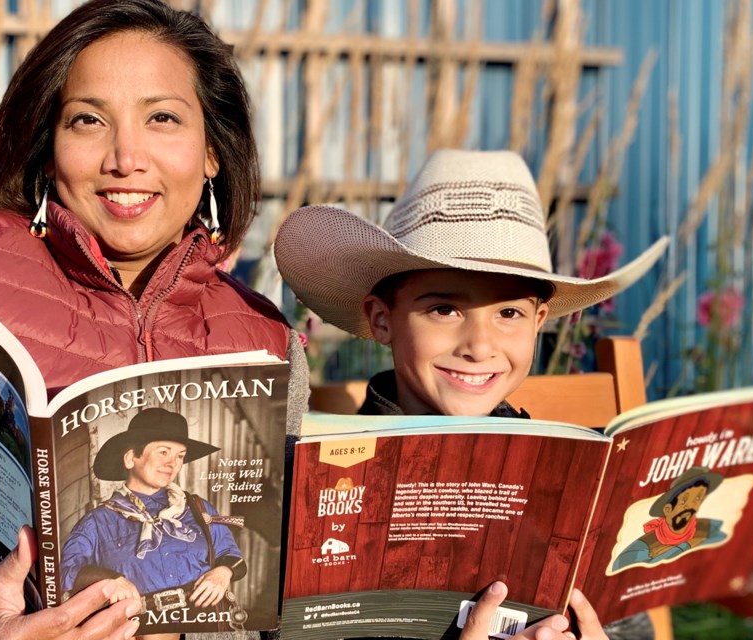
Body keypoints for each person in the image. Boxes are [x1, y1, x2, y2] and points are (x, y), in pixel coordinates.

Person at [0, 1, 308, 638]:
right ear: (47, 151)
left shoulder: (268, 343)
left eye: (162, 118)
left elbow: (268, 595)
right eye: (88, 120)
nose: (125, 158)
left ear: (213, 151)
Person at [274, 148, 669, 640]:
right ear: (381, 319)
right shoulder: (321, 478)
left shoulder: (580, 477)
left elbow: (630, 621)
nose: (480, 347)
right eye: (444, 309)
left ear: (539, 323)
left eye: (509, 314)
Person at [61, 408, 246, 625]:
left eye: (180, 456)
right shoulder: (97, 522)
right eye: (163, 452)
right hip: (137, 626)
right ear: (131, 458)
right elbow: (65, 573)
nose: (173, 464)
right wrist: (109, 580)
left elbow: (233, 555)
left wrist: (223, 573)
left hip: (203, 621)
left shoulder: (198, 508)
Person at [612, 467, 727, 571]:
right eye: (683, 501)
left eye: (697, 498)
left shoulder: (709, 530)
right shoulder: (639, 550)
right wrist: (684, 547)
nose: (690, 506)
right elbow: (621, 567)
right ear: (668, 509)